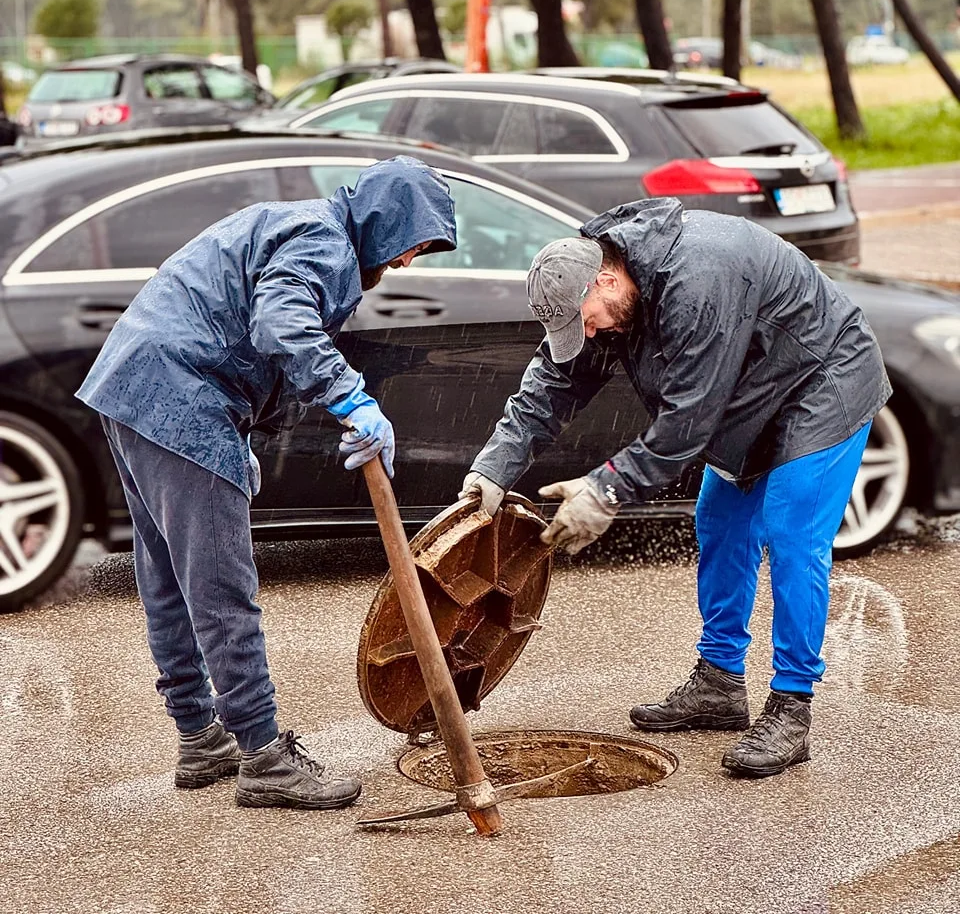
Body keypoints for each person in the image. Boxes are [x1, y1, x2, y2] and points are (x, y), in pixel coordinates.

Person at [460, 198, 890, 778]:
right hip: (749, 392)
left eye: (585, 319)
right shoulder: (609, 293)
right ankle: (719, 683)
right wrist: (492, 469)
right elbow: (550, 387)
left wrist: (606, 491)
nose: (587, 333)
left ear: (607, 277)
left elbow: (688, 420)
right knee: (718, 523)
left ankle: (792, 707)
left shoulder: (698, 276)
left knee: (791, 536)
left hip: (821, 381)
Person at [77, 156, 457, 809]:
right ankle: (263, 759)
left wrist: (245, 435)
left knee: (170, 580)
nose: (408, 262)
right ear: (385, 220)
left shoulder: (302, 224)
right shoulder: (325, 241)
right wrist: (351, 398)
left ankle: (202, 738)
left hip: (136, 390)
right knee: (223, 591)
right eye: (412, 243)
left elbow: (242, 322)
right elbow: (280, 326)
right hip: (182, 401)